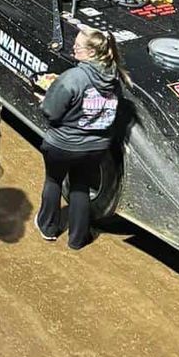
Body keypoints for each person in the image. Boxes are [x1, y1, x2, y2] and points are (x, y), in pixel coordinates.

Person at [34, 27, 125, 250]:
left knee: (54, 180)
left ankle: (48, 227)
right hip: (96, 147)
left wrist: (43, 98)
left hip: (63, 144)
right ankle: (77, 238)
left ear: (93, 53)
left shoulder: (73, 78)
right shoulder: (115, 77)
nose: (74, 47)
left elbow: (52, 112)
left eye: (79, 46)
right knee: (81, 186)